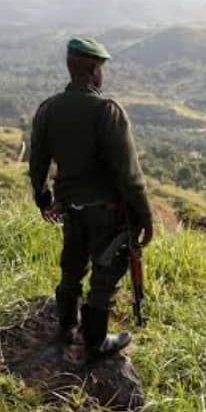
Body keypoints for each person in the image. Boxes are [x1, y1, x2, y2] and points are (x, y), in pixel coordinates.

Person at [28, 37, 155, 359]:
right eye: (101, 69)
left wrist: (43, 200)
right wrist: (145, 216)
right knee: (106, 274)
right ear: (94, 70)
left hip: (69, 206)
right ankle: (96, 343)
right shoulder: (107, 111)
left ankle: (66, 329)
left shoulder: (48, 108)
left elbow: (38, 162)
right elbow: (130, 174)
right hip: (107, 211)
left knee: (72, 267)